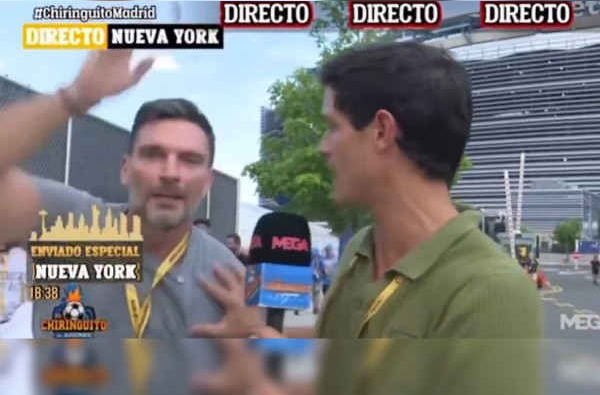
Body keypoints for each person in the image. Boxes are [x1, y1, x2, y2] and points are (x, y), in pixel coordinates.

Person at [189, 42, 544, 395]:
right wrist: (255, 334)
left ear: (381, 132)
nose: (323, 147)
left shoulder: (492, 292)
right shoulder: (361, 249)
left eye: (333, 127)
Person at [0, 50, 253, 393]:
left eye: (189, 160)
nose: (170, 173)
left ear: (208, 182)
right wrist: (73, 98)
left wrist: (244, 350)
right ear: (125, 169)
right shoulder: (67, 223)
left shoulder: (226, 277)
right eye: (153, 154)